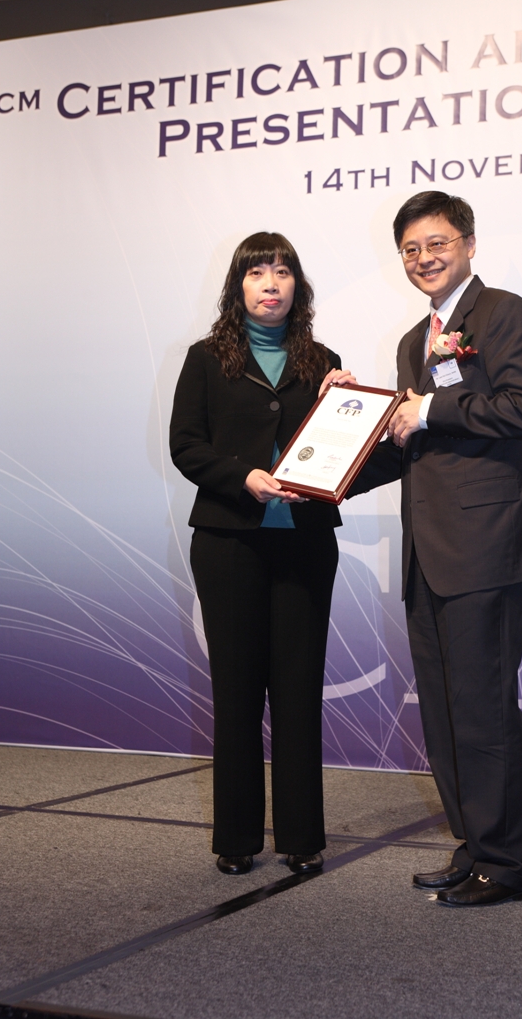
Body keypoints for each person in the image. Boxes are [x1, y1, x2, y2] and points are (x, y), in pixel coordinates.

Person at [348, 191, 522, 906]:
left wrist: (430, 408)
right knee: (443, 713)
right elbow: (412, 442)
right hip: (428, 549)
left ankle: (508, 865)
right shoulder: (415, 340)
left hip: (486, 545)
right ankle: (474, 845)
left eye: (436, 243)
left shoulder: (502, 313)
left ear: (468, 244)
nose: (424, 258)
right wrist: (333, 462)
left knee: (483, 708)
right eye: (410, 249)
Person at [170, 232, 354, 876]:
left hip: (306, 543)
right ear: (238, 286)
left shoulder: (325, 361)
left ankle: (301, 836)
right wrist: (241, 476)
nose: (271, 284)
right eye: (257, 273)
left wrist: (349, 404)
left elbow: (343, 451)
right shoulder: (204, 358)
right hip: (228, 542)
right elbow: (186, 446)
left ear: (298, 285)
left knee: (299, 690)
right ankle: (237, 837)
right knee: (238, 690)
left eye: (282, 272)